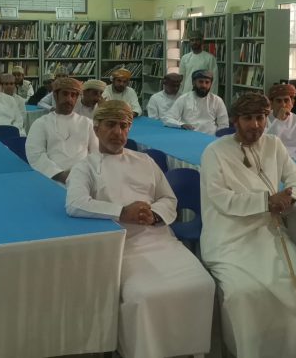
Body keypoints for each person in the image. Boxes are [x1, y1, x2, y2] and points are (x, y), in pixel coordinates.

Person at [66, 100, 215, 358]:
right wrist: (123, 212)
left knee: (201, 284)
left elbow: (168, 199)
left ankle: (188, 349)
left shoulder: (145, 160)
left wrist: (154, 214)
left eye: (124, 126)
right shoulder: (85, 167)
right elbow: (75, 204)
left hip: (160, 240)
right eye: (111, 125)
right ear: (97, 128)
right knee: (145, 295)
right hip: (122, 247)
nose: (118, 132)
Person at [200, 92, 296, 358]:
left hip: (269, 233)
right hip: (228, 237)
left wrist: (289, 199)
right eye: (248, 118)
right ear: (235, 120)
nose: (255, 125)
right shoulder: (214, 152)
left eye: (260, 118)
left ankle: (295, 350)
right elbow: (221, 199)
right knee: (243, 293)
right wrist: (266, 201)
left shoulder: (274, 145)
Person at [26, 77, 98, 184]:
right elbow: (36, 156)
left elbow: (97, 154)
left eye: (73, 95)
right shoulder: (41, 123)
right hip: (51, 179)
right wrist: (61, 175)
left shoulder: (87, 123)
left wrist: (84, 175)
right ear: (55, 95)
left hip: (84, 179)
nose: (69, 99)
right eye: (65, 94)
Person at [163, 69, 228, 135]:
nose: (204, 85)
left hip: (210, 137)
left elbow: (224, 124)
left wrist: (218, 138)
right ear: (193, 83)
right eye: (201, 82)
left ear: (211, 84)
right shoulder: (184, 99)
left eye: (207, 82)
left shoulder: (217, 100)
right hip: (188, 135)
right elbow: (167, 119)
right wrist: (181, 125)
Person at [266, 83, 296, 160]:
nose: (283, 105)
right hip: (272, 161)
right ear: (271, 104)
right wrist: (279, 120)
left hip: (295, 162)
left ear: (292, 103)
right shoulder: (263, 119)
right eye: (279, 101)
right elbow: (267, 145)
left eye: (286, 100)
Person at [179, 30, 218, 94]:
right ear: (189, 42)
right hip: (187, 93)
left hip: (203, 93)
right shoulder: (184, 58)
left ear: (202, 41)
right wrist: (181, 95)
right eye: (192, 40)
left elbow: (214, 80)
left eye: (197, 40)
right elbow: (181, 79)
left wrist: (211, 96)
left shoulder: (210, 58)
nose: (194, 42)